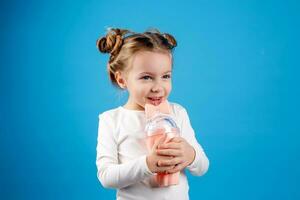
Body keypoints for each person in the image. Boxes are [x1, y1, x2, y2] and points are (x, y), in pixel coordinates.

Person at [95, 27, 209, 200]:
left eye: (165, 76)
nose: (158, 87)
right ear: (121, 80)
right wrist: (148, 164)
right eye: (146, 77)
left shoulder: (177, 113)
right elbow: (106, 177)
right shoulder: (111, 120)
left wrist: (190, 155)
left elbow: (202, 167)